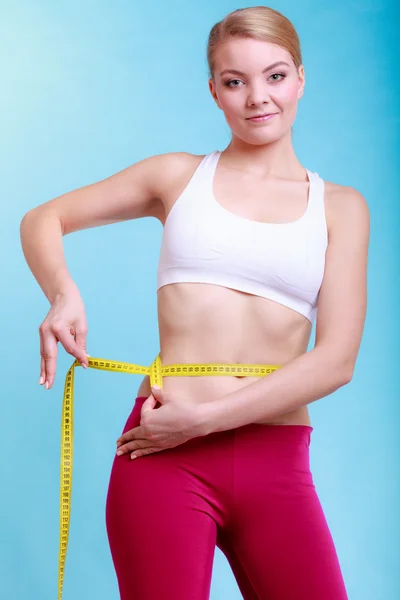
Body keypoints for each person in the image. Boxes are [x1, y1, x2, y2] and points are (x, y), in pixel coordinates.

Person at [20, 5, 369, 600]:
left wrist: (202, 421)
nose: (258, 97)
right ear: (214, 91)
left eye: (275, 76)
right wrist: (63, 293)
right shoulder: (178, 177)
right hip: (161, 457)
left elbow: (336, 361)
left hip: (274, 459)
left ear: (302, 79)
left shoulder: (341, 207)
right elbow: (42, 218)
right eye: (236, 81)